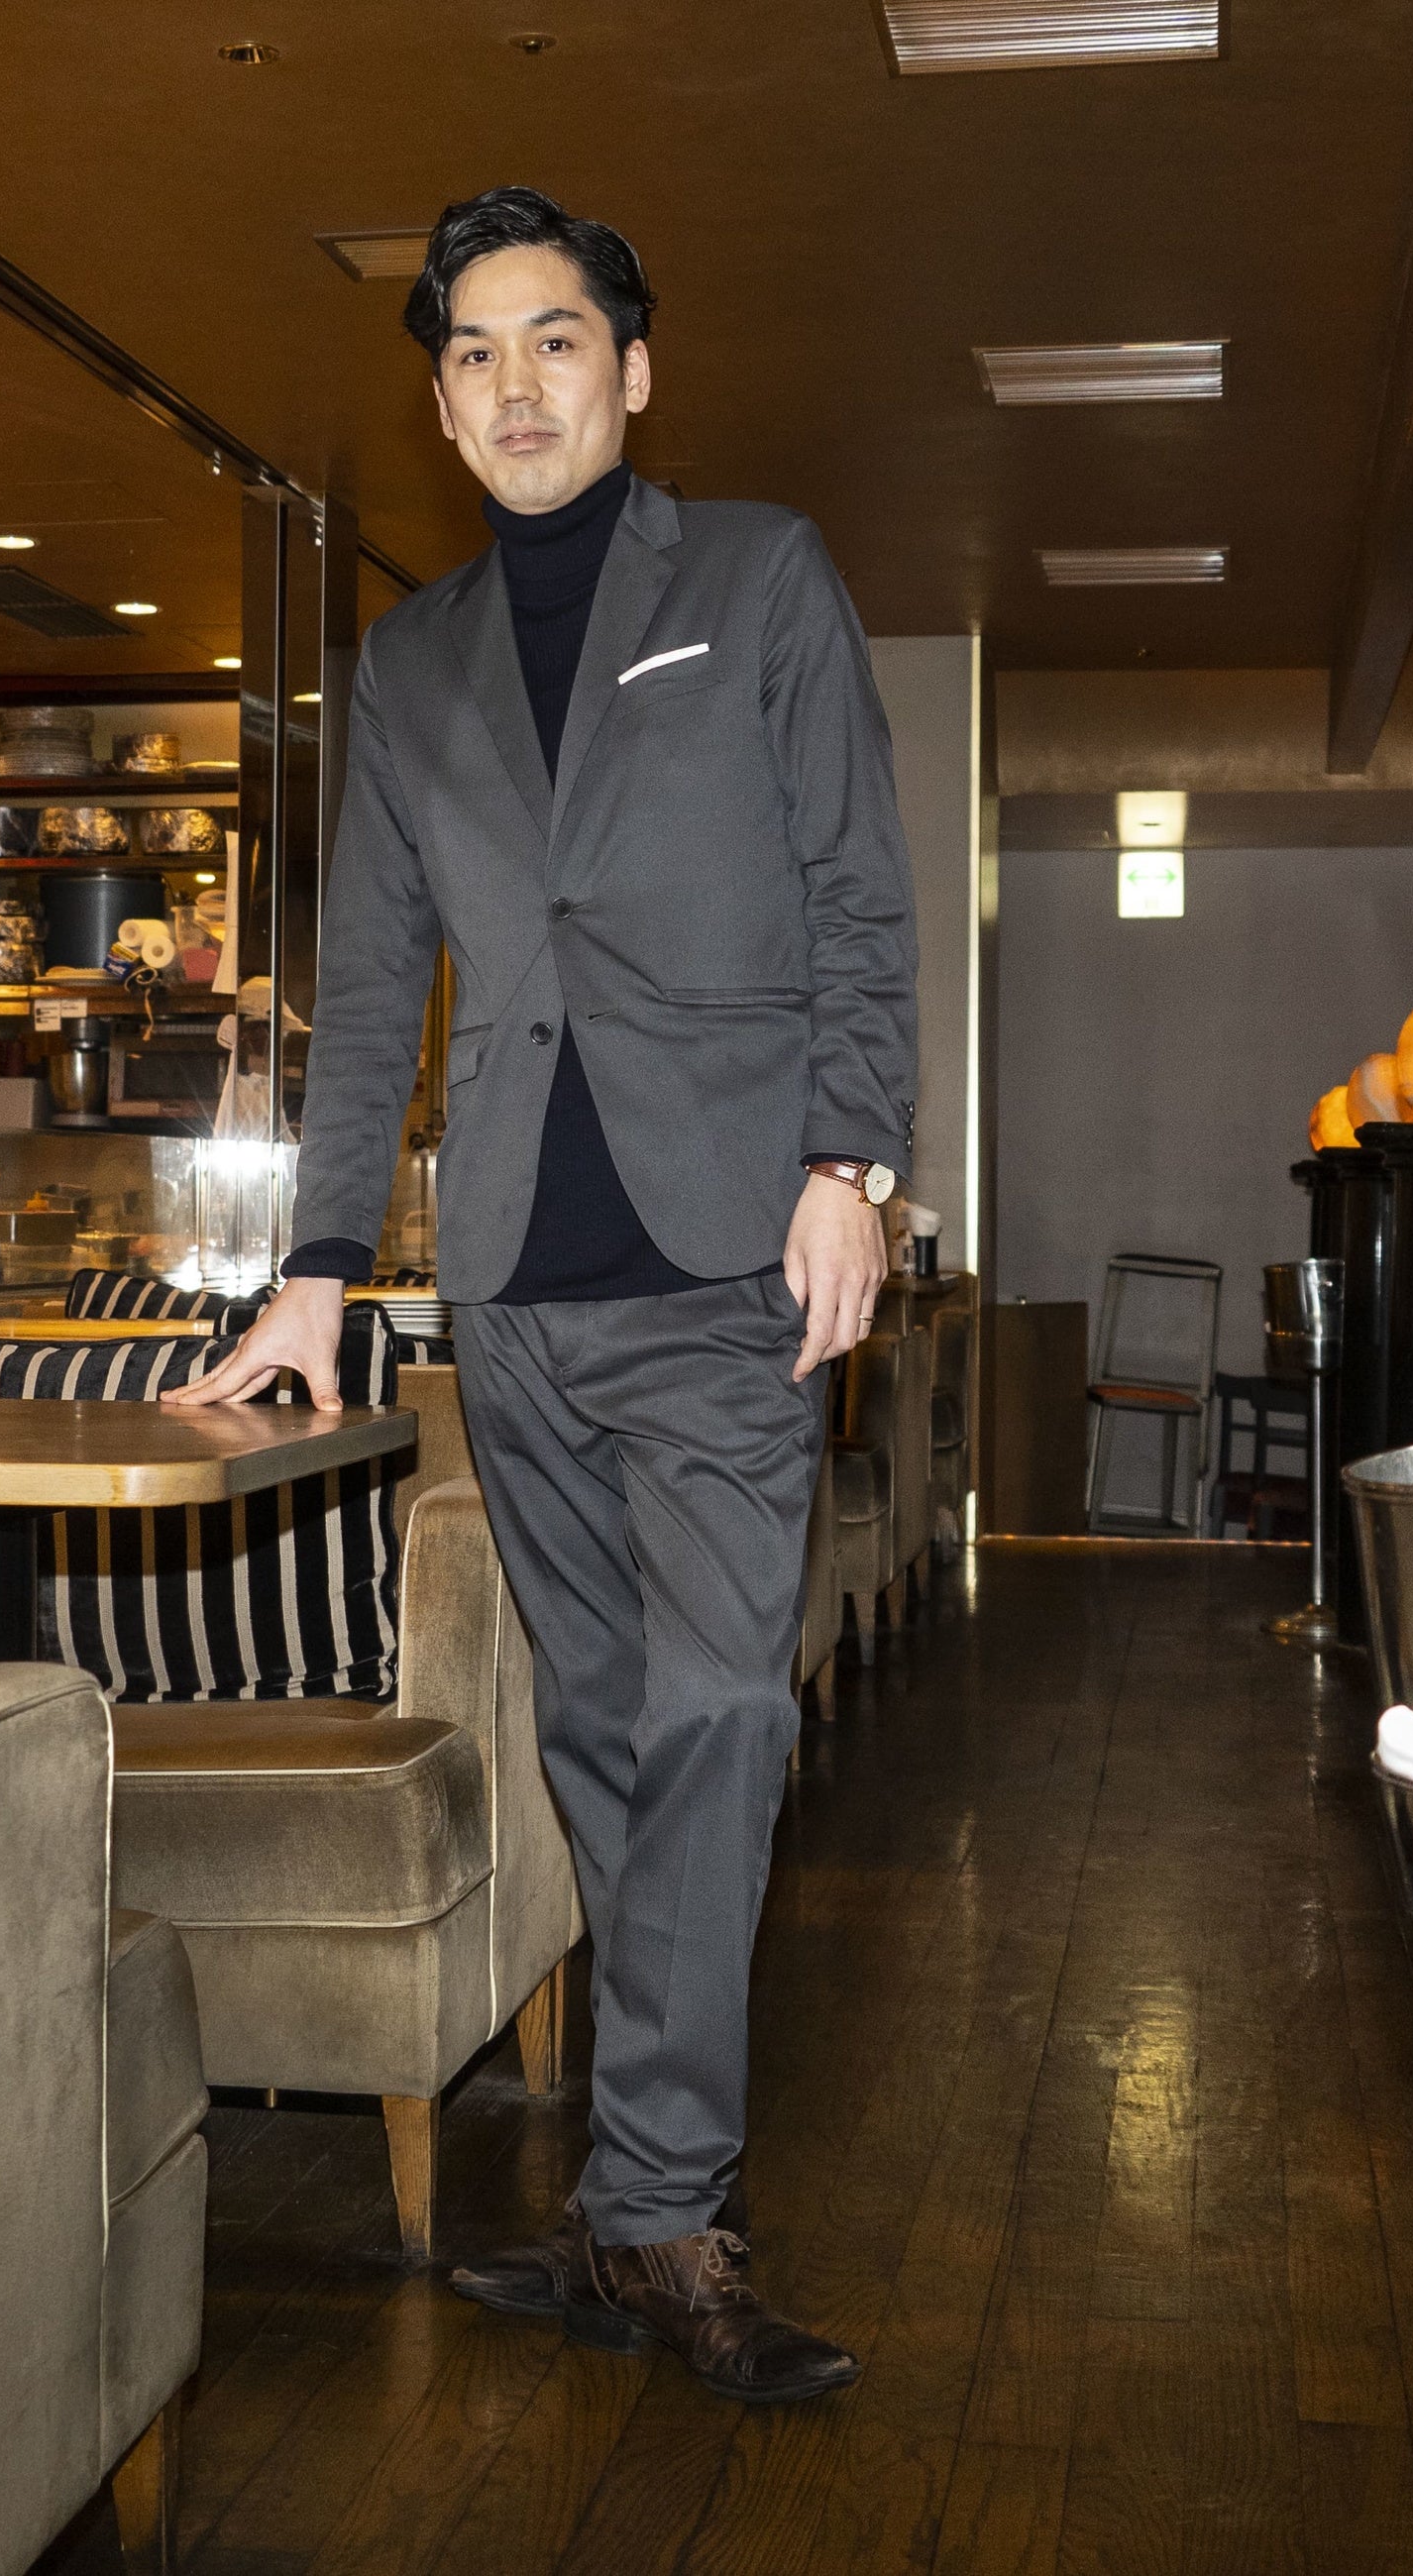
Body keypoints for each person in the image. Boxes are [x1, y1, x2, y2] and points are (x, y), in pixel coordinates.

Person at [169, 184, 916, 2406]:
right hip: (509, 1279)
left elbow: (857, 890)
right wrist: (321, 1269)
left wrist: (855, 1166)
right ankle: (624, 2216)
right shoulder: (408, 664)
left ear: (633, 370)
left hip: (724, 1256)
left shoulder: (758, 577)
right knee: (597, 1726)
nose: (515, 386)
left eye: (555, 340)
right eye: (473, 354)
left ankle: (665, 2204)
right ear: (441, 402)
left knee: (723, 1709)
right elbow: (372, 981)